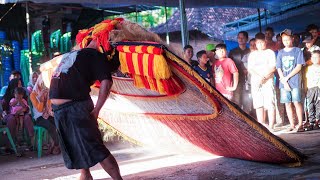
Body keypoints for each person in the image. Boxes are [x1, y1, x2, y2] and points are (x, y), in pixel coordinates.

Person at [49, 38, 122, 180]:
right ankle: (86, 175)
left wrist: (96, 111)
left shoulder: (74, 54)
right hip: (62, 109)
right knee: (76, 148)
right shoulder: (92, 55)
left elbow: (106, 84)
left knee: (95, 148)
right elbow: (105, 83)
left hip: (75, 107)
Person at [276, 29, 305, 132]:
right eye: (284, 40)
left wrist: (286, 79)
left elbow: (298, 67)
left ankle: (300, 124)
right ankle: (292, 124)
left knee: (296, 102)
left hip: (294, 81)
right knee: (287, 103)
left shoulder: (297, 51)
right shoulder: (280, 52)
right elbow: (278, 68)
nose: (286, 42)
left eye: (288, 39)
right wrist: (284, 81)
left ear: (292, 38)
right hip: (284, 83)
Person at [247, 33, 276, 130]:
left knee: (270, 102)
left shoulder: (270, 52)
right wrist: (259, 77)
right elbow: (250, 68)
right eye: (258, 43)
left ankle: (271, 125)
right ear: (255, 43)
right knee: (258, 103)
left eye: (262, 42)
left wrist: (265, 77)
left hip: (268, 80)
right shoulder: (252, 54)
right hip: (256, 80)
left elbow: (273, 67)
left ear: (265, 42)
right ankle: (261, 124)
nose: (260, 45)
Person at [30, 74, 60, 155]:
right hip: (39, 118)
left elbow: (50, 107)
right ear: (39, 83)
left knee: (59, 122)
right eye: (42, 83)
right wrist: (42, 100)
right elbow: (39, 110)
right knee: (51, 126)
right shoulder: (33, 95)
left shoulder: (48, 91)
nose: (43, 86)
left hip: (48, 114)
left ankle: (54, 145)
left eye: (45, 83)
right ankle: (56, 146)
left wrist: (48, 95)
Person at [2, 78, 34, 146]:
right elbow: (5, 110)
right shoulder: (7, 97)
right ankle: (10, 144)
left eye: (21, 84)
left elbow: (26, 107)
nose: (20, 86)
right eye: (19, 84)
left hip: (22, 113)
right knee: (11, 119)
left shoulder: (23, 95)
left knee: (27, 118)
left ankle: (31, 141)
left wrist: (21, 110)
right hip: (9, 114)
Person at [228, 31, 250, 108]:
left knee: (248, 102)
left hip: (249, 81)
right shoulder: (232, 52)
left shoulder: (250, 51)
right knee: (237, 102)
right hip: (236, 81)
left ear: (247, 39)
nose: (240, 39)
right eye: (239, 38)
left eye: (242, 38)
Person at [241, 38, 257, 116]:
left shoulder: (261, 56)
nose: (253, 46)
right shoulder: (246, 56)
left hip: (260, 82)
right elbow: (244, 68)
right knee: (249, 100)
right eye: (251, 45)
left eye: (254, 45)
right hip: (249, 82)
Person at [305, 50, 320, 130]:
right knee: (310, 105)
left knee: (318, 105)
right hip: (311, 88)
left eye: (316, 57)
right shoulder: (309, 68)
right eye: (313, 57)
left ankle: (317, 121)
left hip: (318, 88)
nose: (314, 59)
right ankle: (311, 122)